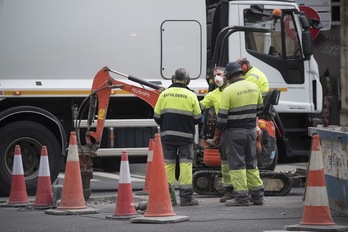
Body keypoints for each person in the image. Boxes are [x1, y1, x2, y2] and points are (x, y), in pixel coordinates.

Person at [212, 62, 264, 206]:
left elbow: (221, 120)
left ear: (227, 76)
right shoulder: (254, 87)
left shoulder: (228, 91)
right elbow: (260, 110)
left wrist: (216, 136)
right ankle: (258, 196)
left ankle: (241, 198)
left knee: (237, 166)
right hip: (250, 132)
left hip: (234, 133)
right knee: (251, 164)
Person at [153, 68, 202, 206]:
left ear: (173, 79)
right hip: (186, 137)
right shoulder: (191, 95)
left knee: (168, 165)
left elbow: (157, 117)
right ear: (187, 80)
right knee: (185, 165)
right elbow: (198, 118)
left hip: (168, 136)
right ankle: (186, 198)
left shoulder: (164, 94)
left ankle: (169, 197)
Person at [199, 67, 234, 203]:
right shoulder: (213, 95)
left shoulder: (234, 89)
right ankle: (229, 190)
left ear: (226, 75)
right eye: (214, 76)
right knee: (225, 162)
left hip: (237, 127)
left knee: (239, 161)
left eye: (219, 74)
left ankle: (243, 190)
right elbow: (198, 106)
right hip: (224, 131)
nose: (217, 78)